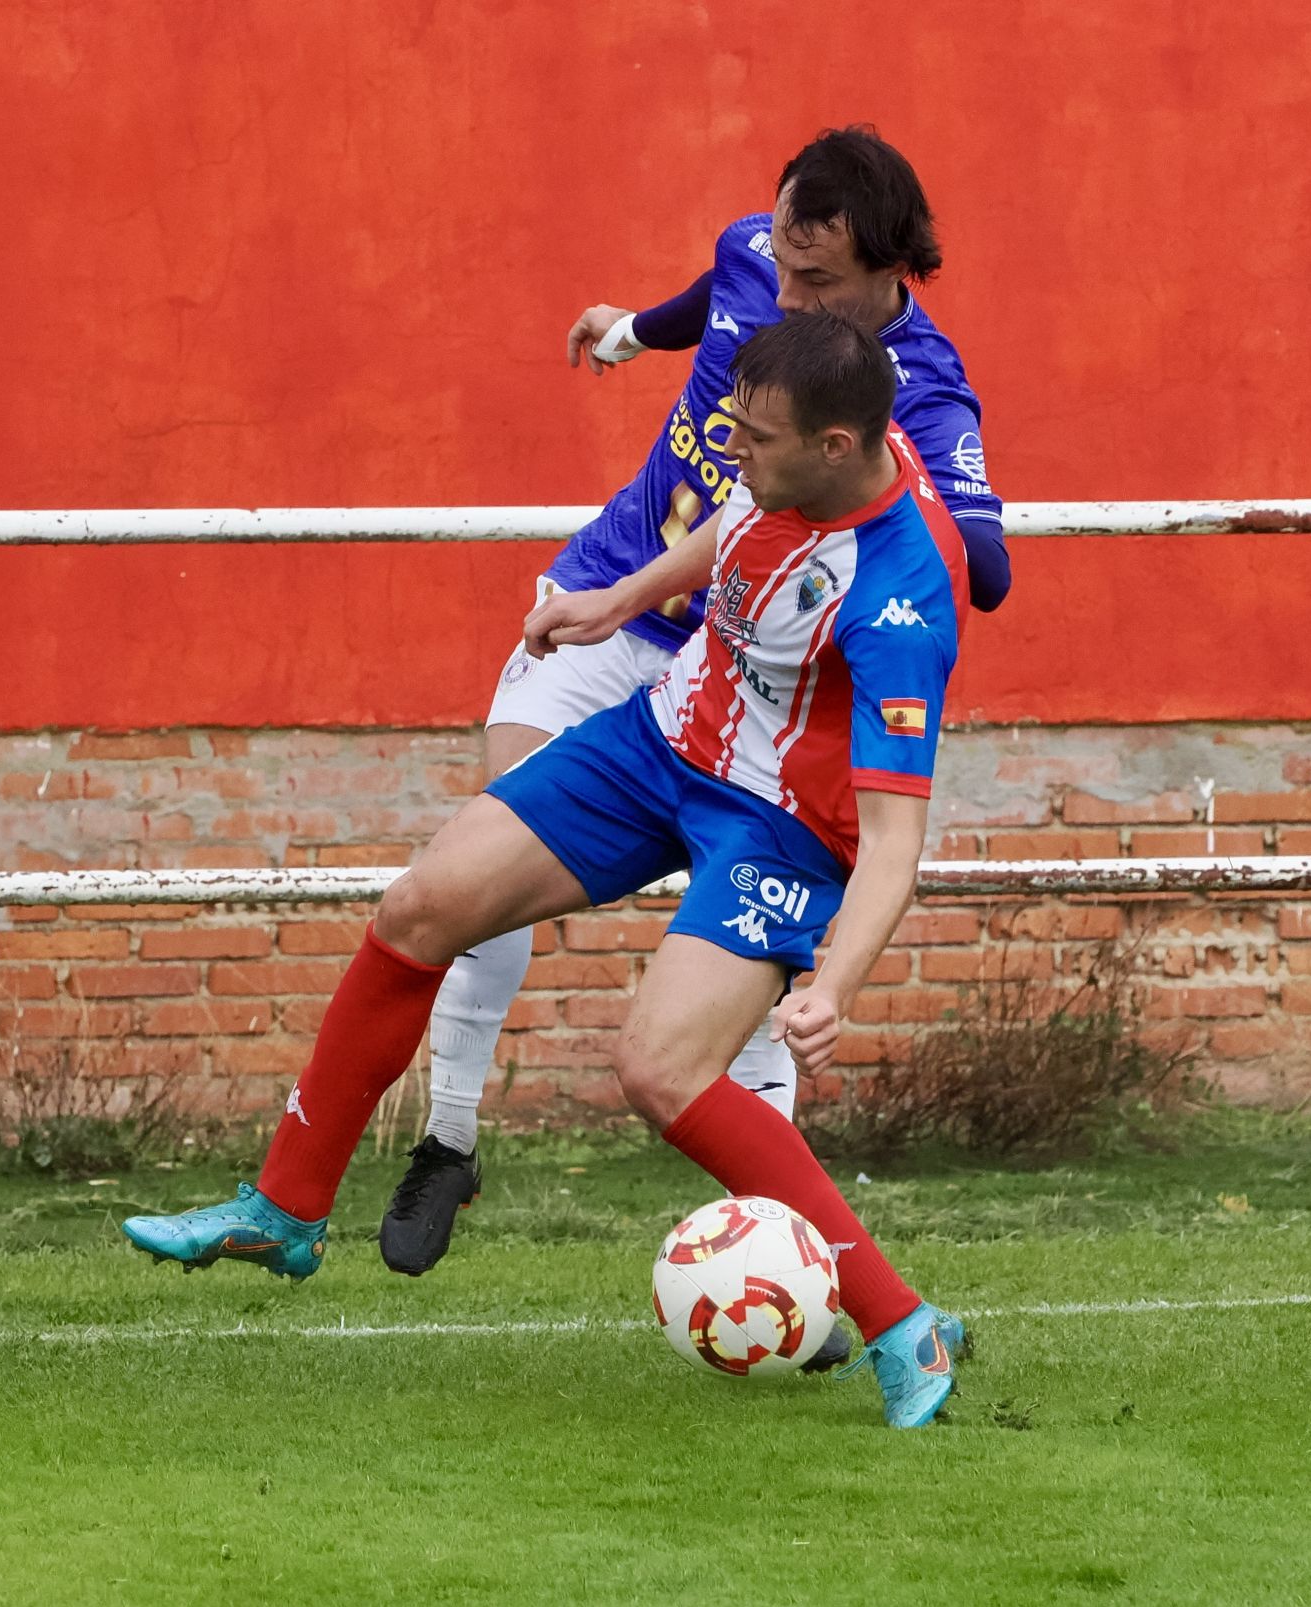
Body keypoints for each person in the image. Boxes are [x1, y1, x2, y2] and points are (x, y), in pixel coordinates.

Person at [125, 311, 973, 1429]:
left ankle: (902, 1324)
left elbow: (896, 838)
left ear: (834, 446)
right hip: (661, 741)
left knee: (661, 1070)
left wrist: (836, 984)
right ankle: (284, 1209)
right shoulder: (790, 470)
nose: (737, 453)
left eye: (760, 440)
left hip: (778, 827)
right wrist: (614, 602)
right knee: (420, 908)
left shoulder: (903, 600)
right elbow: (730, 525)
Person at [384, 125, 1009, 1285]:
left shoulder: (924, 394)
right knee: (486, 852)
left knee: (748, 959)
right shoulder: (758, 255)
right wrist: (629, 332)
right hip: (620, 596)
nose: (782, 291)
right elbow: (702, 295)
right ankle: (449, 1137)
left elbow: (982, 562)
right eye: (777, 259)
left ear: (890, 274)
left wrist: (940, 538)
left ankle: (796, 1250)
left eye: (813, 281)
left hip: (754, 677)